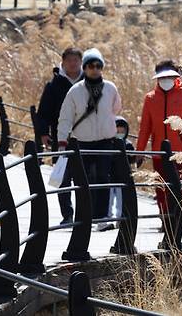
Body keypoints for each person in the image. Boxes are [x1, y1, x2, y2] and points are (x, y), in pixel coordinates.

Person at [58, 49, 122, 230]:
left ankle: (101, 218)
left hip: (104, 141)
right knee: (84, 181)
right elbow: (65, 118)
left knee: (103, 178)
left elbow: (116, 108)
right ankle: (85, 217)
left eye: (98, 65)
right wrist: (62, 142)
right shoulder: (74, 91)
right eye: (90, 65)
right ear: (84, 68)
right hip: (82, 142)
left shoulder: (111, 88)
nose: (94, 69)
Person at [136, 60, 182, 211]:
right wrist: (139, 152)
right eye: (162, 76)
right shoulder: (150, 98)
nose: (166, 80)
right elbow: (145, 128)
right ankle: (165, 220)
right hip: (159, 153)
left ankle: (179, 218)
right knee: (161, 188)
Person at [37, 48, 83, 224]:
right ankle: (67, 215)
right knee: (63, 178)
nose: (73, 63)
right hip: (61, 137)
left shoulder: (90, 82)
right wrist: (43, 134)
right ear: (63, 62)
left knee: (84, 177)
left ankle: (84, 213)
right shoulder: (54, 85)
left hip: (85, 138)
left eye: (76, 60)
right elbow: (43, 113)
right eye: (69, 60)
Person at [107, 116, 136, 226]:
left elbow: (132, 158)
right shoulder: (108, 143)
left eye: (122, 131)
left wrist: (135, 158)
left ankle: (120, 219)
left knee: (121, 201)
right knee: (108, 200)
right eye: (117, 130)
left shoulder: (128, 144)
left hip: (122, 177)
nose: (119, 133)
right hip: (110, 177)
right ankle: (108, 218)